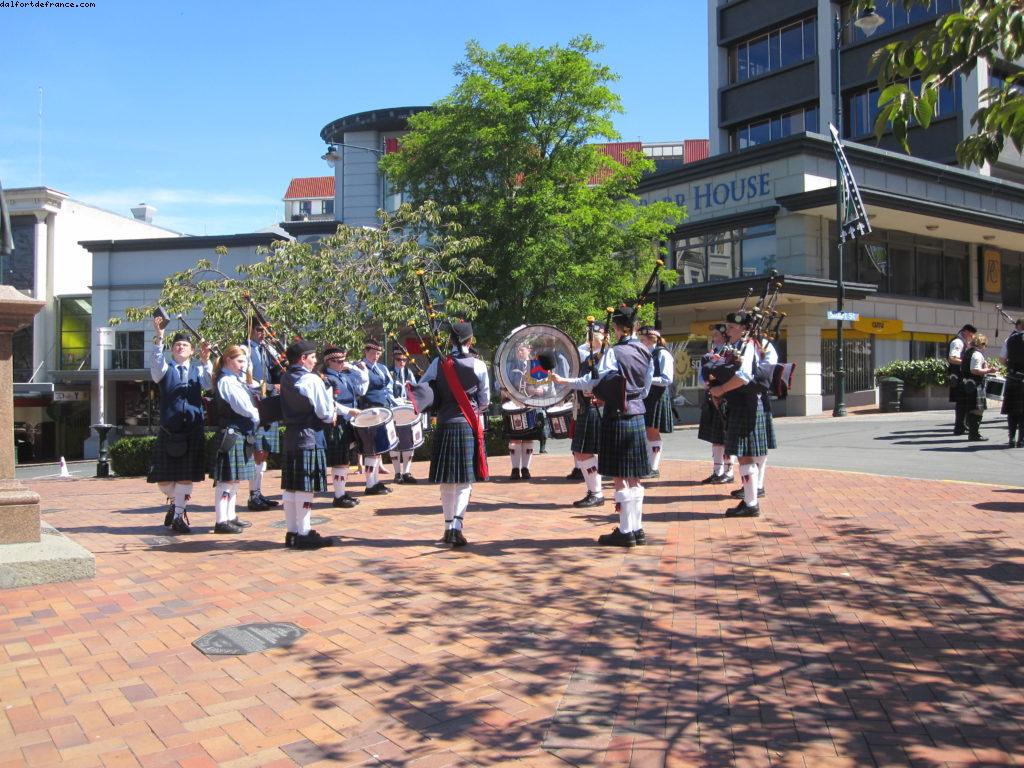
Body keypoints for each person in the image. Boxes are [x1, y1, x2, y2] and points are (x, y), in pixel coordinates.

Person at [552, 306, 653, 547]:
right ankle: (637, 529)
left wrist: (565, 380)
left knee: (620, 476)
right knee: (635, 476)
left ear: (617, 328)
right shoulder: (646, 350)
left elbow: (593, 380)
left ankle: (626, 531)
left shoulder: (614, 352)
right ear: (635, 326)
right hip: (638, 412)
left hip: (617, 415)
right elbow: (647, 386)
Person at [420, 321, 490, 547]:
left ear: (450, 341)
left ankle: (447, 527)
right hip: (467, 423)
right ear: (470, 340)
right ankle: (456, 529)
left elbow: (424, 389)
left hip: (444, 423)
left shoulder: (437, 363)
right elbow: (485, 400)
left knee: (447, 482)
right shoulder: (478, 365)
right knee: (464, 481)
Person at [147, 316, 212, 534]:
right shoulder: (164, 370)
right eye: (176, 345)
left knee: (185, 476)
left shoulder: (198, 370)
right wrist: (159, 337)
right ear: (171, 350)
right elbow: (156, 364)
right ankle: (177, 502)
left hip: (192, 430)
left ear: (192, 351)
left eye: (184, 345)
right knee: (163, 479)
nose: (180, 347)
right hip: (169, 430)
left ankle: (178, 516)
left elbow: (210, 384)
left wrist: (206, 360)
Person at [706, 312, 768, 518]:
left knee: (745, 455)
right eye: (728, 327)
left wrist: (721, 389)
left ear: (743, 329)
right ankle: (750, 501)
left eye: (732, 327)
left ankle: (751, 503)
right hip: (737, 403)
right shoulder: (735, 347)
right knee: (744, 456)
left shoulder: (749, 345)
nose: (728, 331)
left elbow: (744, 376)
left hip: (746, 404)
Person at [279, 340, 336, 549]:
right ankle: (304, 533)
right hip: (310, 436)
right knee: (304, 487)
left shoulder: (286, 378)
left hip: (292, 436)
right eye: (312, 357)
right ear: (303, 358)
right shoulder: (311, 379)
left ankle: (292, 532)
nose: (315, 361)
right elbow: (325, 413)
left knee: (291, 487)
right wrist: (333, 414)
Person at [209, 345, 261, 534]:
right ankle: (221, 520)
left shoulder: (234, 380)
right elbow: (242, 407)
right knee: (226, 481)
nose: (243, 365)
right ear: (228, 361)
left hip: (239, 432)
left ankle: (230, 516)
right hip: (232, 433)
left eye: (245, 362)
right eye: (240, 361)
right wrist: (257, 415)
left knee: (234, 481)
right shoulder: (227, 382)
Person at [243, 319, 281, 512]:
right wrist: (274, 386)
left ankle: (258, 492)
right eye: (259, 329)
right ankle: (253, 495)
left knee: (264, 451)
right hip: (255, 404)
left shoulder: (267, 349)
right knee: (257, 451)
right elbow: (248, 380)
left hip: (268, 402)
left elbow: (279, 369)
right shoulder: (245, 349)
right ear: (250, 329)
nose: (262, 333)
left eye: (265, 330)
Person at [322, 347, 367, 508]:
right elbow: (330, 403)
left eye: (343, 360)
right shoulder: (326, 379)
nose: (343, 364)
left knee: (346, 458)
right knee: (340, 460)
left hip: (348, 419)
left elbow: (362, 387)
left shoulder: (344, 376)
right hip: (338, 420)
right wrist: (349, 411)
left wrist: (355, 369)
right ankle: (338, 495)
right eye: (339, 361)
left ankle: (341, 492)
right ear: (328, 362)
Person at [568, 325, 605, 507]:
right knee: (581, 451)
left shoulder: (605, 356)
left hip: (593, 407)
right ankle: (593, 491)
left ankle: (596, 493)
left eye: (591, 336)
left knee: (584, 451)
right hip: (585, 406)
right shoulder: (588, 356)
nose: (588, 339)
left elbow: (595, 381)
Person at [697, 325, 736, 485]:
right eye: (713, 335)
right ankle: (717, 471)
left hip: (727, 399)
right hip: (712, 398)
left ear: (725, 336)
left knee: (727, 437)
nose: (714, 337)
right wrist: (708, 384)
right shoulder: (708, 356)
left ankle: (729, 471)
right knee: (716, 438)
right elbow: (701, 379)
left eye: (717, 335)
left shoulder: (732, 354)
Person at [358, 339, 397, 495]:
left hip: (382, 410)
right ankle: (370, 484)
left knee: (378, 448)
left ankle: (375, 481)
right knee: (370, 449)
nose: (375, 356)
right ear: (366, 352)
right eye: (373, 353)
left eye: (378, 353)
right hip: (368, 410)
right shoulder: (360, 367)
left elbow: (388, 386)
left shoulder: (381, 368)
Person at [638, 326, 674, 478]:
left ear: (650, 339)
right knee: (647, 431)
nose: (640, 342)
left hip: (657, 395)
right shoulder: (648, 353)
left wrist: (646, 380)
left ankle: (653, 467)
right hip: (647, 395)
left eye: (642, 340)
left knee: (652, 431)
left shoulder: (663, 354)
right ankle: (647, 465)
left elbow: (667, 379)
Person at [504, 343, 542, 480]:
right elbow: (500, 384)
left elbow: (545, 385)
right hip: (512, 404)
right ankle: (515, 469)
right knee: (514, 439)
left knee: (528, 437)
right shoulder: (508, 365)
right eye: (517, 349)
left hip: (530, 404)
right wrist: (506, 392)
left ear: (529, 349)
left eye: (522, 349)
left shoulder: (536, 364)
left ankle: (526, 469)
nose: (519, 351)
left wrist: (540, 390)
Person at [960, 333, 998, 442]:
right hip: (975, 384)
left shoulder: (967, 353)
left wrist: (985, 367)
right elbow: (975, 370)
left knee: (973, 409)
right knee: (978, 410)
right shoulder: (977, 354)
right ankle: (974, 434)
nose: (985, 348)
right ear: (981, 344)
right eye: (985, 345)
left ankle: (973, 433)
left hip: (968, 384)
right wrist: (989, 370)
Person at [389, 348, 418, 483]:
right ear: (394, 359)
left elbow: (414, 388)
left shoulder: (408, 372)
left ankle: (406, 472)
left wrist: (412, 401)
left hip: (407, 410)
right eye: (399, 359)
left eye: (404, 360)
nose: (402, 362)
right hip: (394, 410)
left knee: (409, 441)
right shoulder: (389, 372)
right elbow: (386, 391)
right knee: (395, 442)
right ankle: (397, 473)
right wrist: (396, 401)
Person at [948, 324, 977, 436]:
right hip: (960, 376)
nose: (972, 336)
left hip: (962, 376)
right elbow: (952, 359)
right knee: (962, 403)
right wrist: (968, 363)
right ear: (965, 332)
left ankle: (962, 426)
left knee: (964, 402)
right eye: (971, 334)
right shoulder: (958, 342)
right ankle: (959, 427)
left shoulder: (964, 342)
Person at [1000, 319, 1024, 447]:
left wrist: (1011, 367)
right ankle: (1022, 440)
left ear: (1019, 326)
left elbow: (1002, 359)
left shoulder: (1009, 339)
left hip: (1013, 377)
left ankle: (1012, 439)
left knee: (1012, 411)